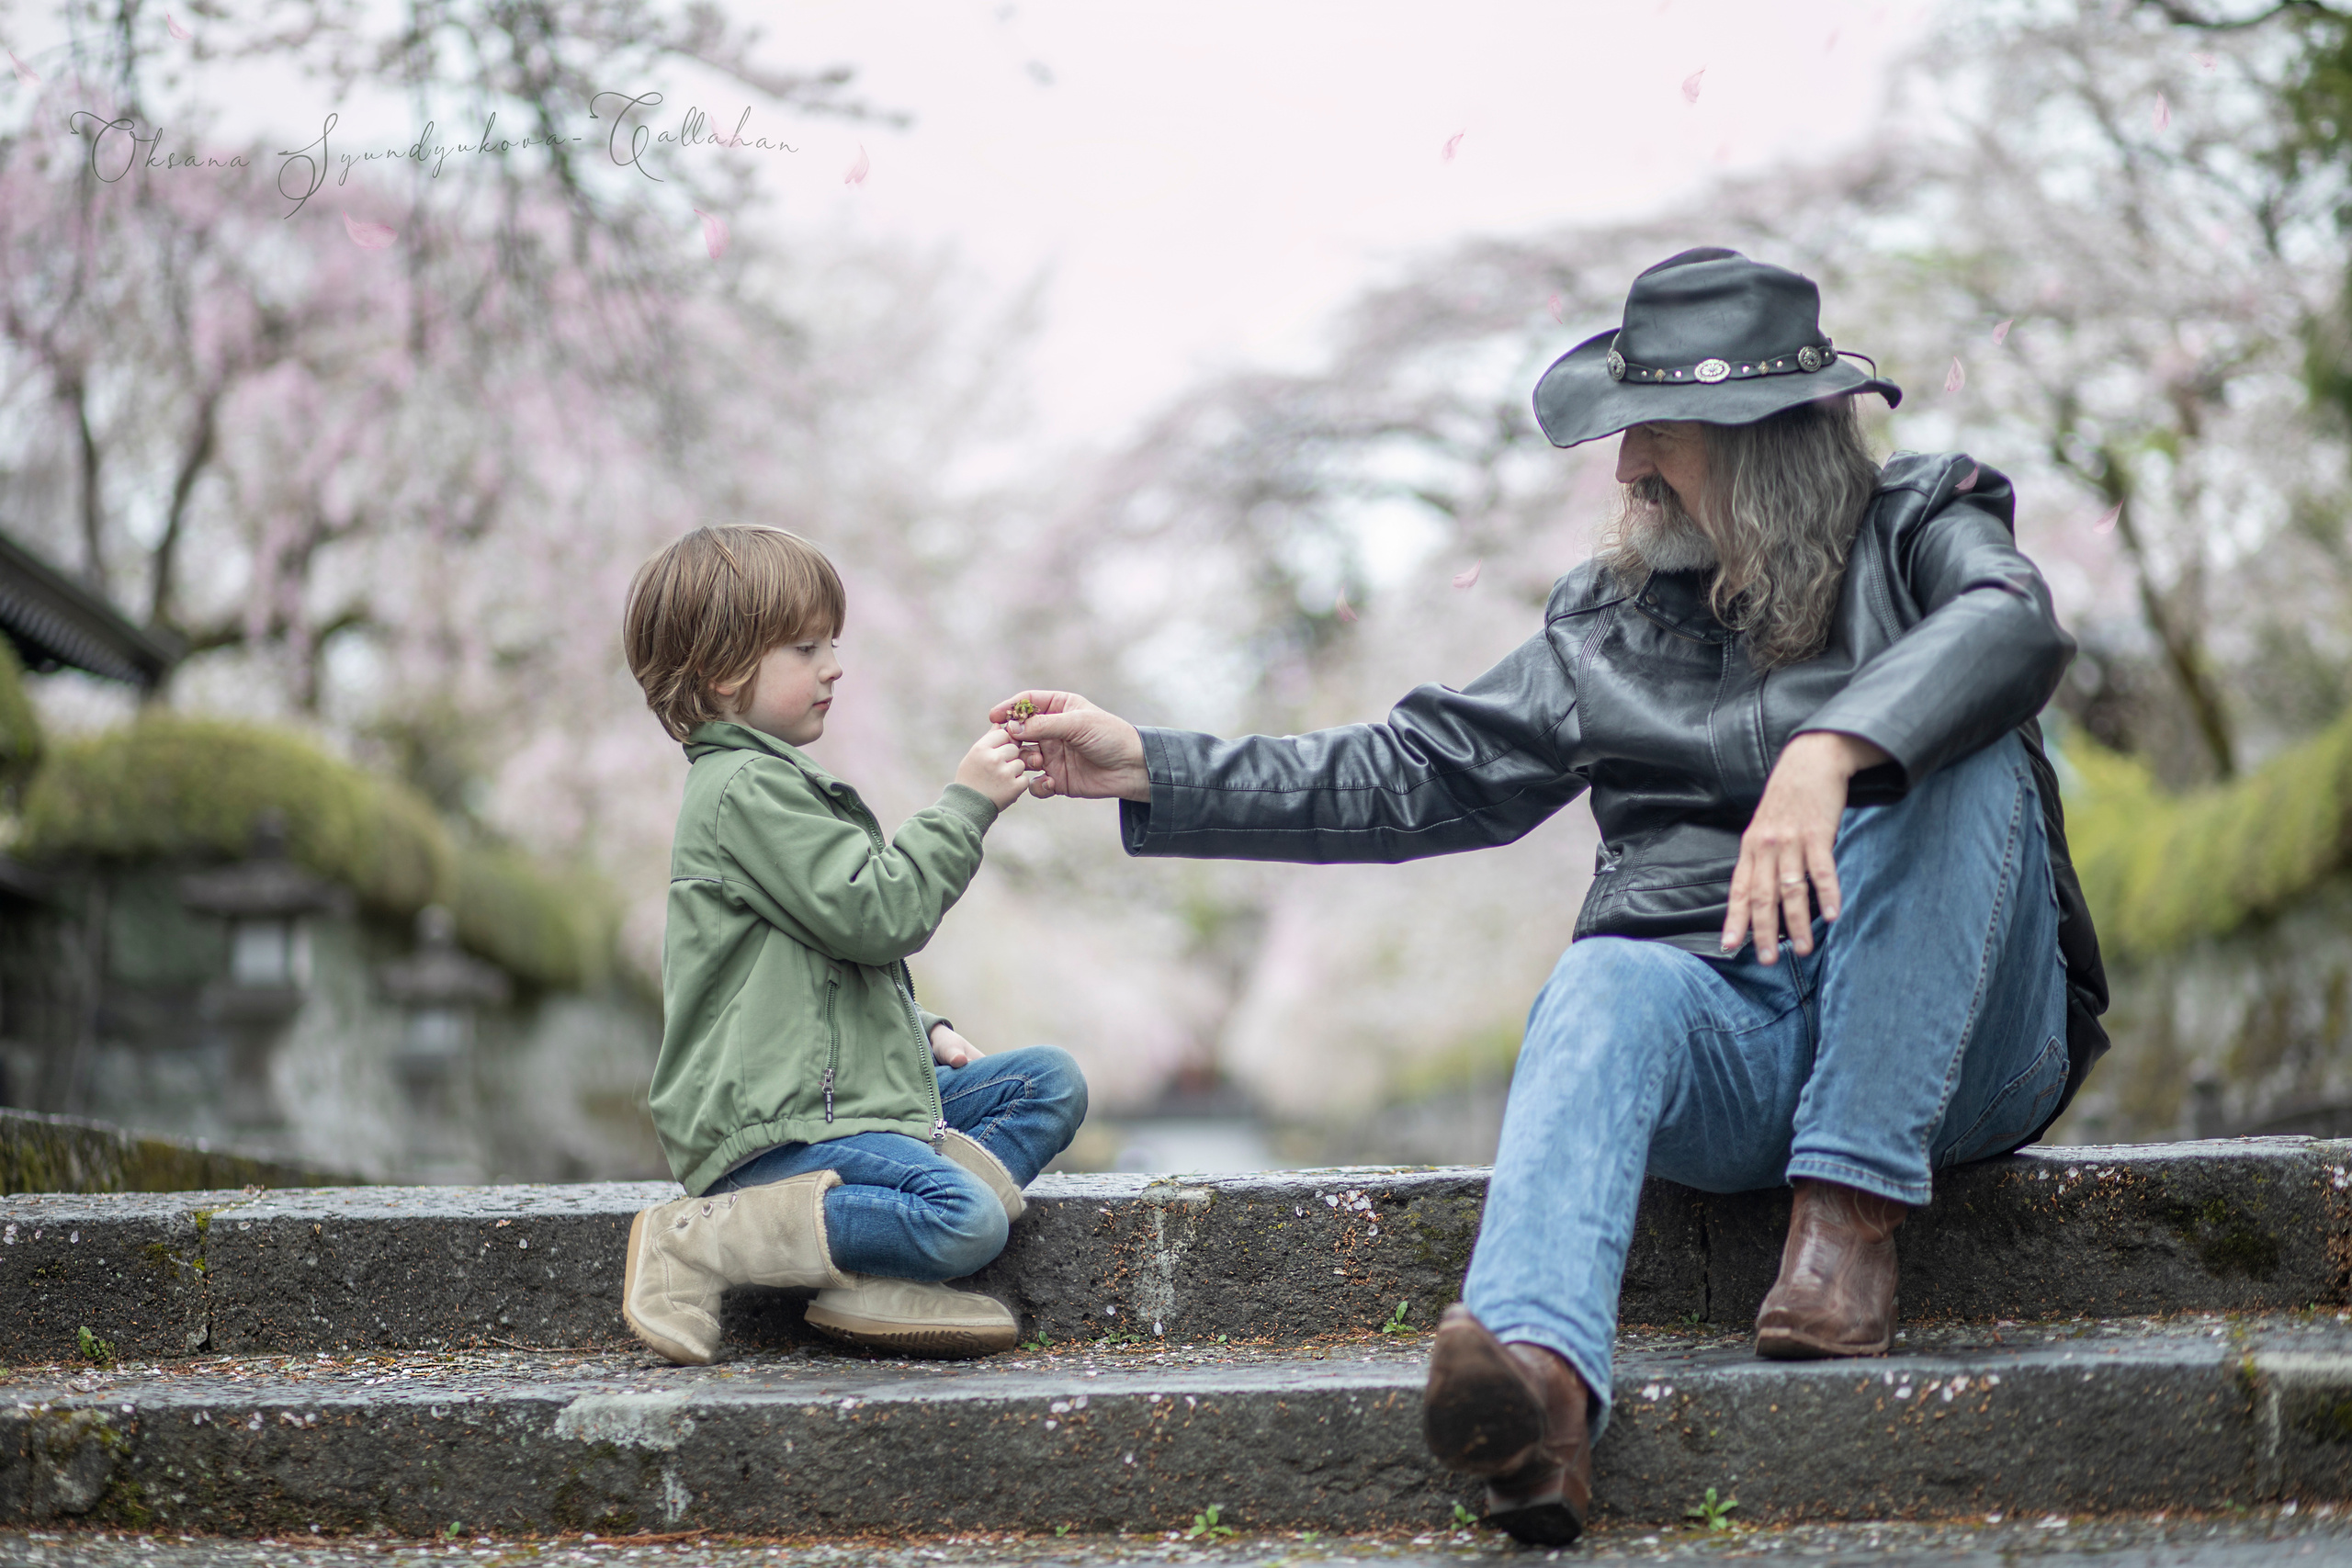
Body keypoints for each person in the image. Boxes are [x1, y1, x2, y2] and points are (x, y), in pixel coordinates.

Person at [989, 249, 2106, 1545]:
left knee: (1964, 740)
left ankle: (1848, 1219)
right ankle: (1539, 1390)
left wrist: (1835, 748)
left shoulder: (1924, 520)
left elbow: (2013, 623)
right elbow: (1411, 770)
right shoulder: (1606, 622)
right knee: (1602, 974)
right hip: (1737, 1046)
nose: (1624, 465)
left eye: (1655, 433)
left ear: (1760, 440)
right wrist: (1148, 764)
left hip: (1964, 1048)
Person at [617, 524, 1087, 1364]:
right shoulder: (744, 789)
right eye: (806, 648)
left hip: (836, 1107)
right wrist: (967, 804)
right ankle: (700, 1238)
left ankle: (871, 1277)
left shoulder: (772, 782)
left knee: (1045, 1083)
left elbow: (818, 959)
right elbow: (879, 913)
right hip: (778, 1133)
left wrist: (918, 1027)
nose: (834, 665)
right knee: (967, 1219)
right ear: (725, 670)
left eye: (831, 643)